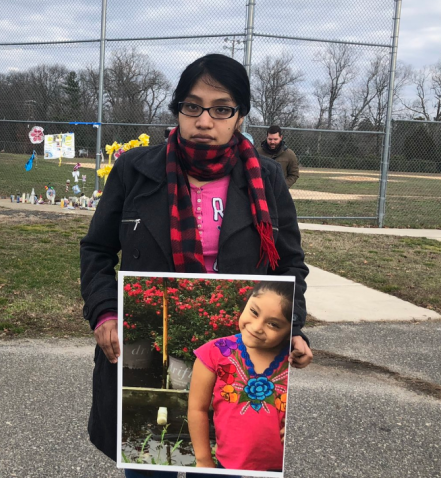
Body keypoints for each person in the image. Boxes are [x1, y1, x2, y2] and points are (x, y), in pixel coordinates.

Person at [79, 53, 312, 474]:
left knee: (227, 460)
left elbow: (290, 263)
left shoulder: (267, 179)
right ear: (178, 109)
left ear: (239, 116)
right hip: (146, 347)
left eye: (221, 109)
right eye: (192, 106)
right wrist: (105, 311)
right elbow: (96, 250)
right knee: (152, 459)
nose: (205, 121)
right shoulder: (135, 170)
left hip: (240, 360)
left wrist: (292, 329)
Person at [188, 281, 294, 473]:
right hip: (226, 468)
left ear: (291, 331)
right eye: (254, 311)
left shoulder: (297, 362)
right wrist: (203, 460)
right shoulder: (214, 353)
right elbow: (197, 409)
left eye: (273, 324)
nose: (257, 327)